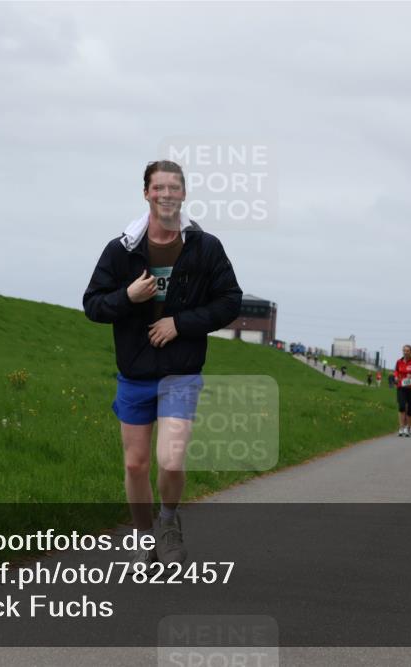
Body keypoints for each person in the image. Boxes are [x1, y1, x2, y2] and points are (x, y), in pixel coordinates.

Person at [83, 160, 242, 566]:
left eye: (174, 187)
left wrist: (179, 323)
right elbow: (93, 305)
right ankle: (142, 537)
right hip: (134, 373)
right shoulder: (121, 250)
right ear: (146, 193)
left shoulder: (205, 247)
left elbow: (230, 301)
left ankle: (168, 522)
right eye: (159, 187)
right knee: (135, 464)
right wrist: (128, 297)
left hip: (180, 372)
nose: (166, 194)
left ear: (184, 194)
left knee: (170, 460)